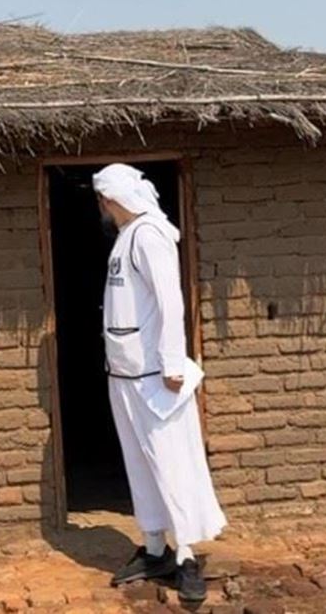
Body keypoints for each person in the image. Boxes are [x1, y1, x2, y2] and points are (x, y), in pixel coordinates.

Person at [93, 163, 226, 605]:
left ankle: (187, 557)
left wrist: (172, 363)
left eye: (103, 200)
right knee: (141, 466)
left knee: (172, 466)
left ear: (113, 199)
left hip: (155, 377)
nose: (103, 208)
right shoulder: (126, 238)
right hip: (126, 375)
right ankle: (155, 549)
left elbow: (171, 301)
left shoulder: (149, 235)